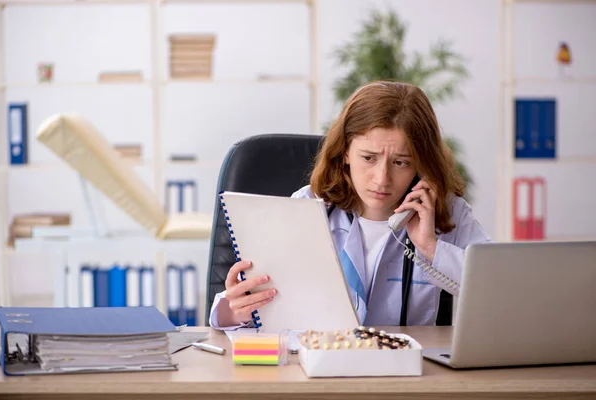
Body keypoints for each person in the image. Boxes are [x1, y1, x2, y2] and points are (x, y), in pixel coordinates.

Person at [209, 80, 491, 329]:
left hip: (406, 381)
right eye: (368, 158)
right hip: (321, 374)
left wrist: (431, 248)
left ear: (421, 165)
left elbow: (501, 293)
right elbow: (240, 311)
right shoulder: (307, 207)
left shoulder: (447, 213)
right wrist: (235, 311)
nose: (382, 179)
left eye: (401, 163)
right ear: (344, 152)